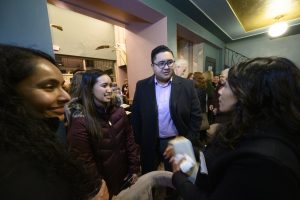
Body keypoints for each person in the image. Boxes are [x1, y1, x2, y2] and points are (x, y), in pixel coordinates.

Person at [171, 57, 300, 200]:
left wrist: (178, 177)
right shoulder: (248, 127)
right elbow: (226, 154)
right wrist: (190, 150)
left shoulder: (262, 161)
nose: (219, 91)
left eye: (226, 85)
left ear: (248, 92)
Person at [0, 44, 97, 200]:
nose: (66, 97)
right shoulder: (12, 168)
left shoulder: (34, 140)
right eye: (49, 87)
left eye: (63, 87)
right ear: (8, 90)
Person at [66, 69, 140, 198]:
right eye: (104, 85)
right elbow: (84, 161)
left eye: (111, 85)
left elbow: (130, 141)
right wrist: (98, 185)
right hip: (102, 183)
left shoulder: (119, 112)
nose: (110, 90)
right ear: (89, 89)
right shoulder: (80, 119)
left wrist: (134, 168)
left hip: (124, 175)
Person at [131, 45, 201, 174]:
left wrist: (189, 140)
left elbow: (196, 116)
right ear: (153, 66)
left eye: (170, 62)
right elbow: (136, 116)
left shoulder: (187, 85)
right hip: (150, 140)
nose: (166, 67)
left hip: (177, 141)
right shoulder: (142, 86)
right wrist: (140, 140)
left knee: (178, 178)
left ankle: (172, 194)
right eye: (161, 63)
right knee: (150, 176)